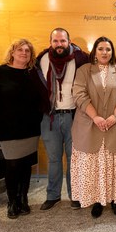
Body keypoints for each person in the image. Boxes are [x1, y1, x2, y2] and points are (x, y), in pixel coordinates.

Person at [70, 37, 116, 218]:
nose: (105, 52)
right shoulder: (84, 71)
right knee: (95, 165)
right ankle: (97, 200)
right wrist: (96, 117)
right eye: (101, 49)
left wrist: (115, 116)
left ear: (112, 52)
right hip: (91, 126)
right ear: (95, 52)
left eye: (108, 49)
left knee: (115, 165)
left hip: (115, 126)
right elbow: (79, 95)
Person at [35, 28, 89, 211]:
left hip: (74, 117)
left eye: (63, 41)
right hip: (49, 118)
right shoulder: (41, 60)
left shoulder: (81, 59)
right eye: (56, 41)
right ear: (50, 42)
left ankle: (75, 195)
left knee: (74, 159)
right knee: (54, 159)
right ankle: (53, 195)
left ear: (69, 41)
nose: (59, 45)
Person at [0, 39, 42, 219]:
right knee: (12, 164)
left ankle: (23, 199)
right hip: (8, 127)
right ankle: (12, 202)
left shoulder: (34, 73)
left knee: (26, 164)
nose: (23, 53)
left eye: (27, 51)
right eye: (20, 50)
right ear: (12, 52)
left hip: (30, 127)